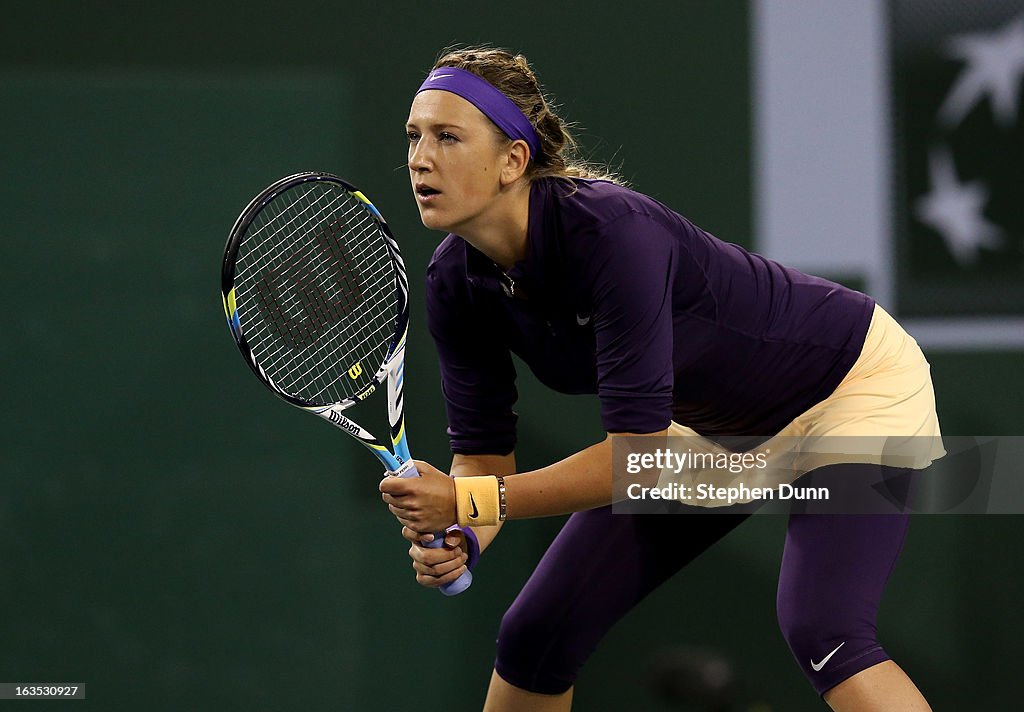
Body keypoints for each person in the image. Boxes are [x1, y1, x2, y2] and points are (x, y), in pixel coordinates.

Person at [379, 46, 944, 712]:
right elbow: (482, 456)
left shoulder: (615, 236)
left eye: (448, 136)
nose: (420, 157)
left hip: (851, 389)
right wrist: (463, 537)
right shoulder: (456, 282)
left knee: (826, 631)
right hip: (715, 435)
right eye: (415, 136)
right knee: (535, 634)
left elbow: (636, 463)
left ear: (513, 160)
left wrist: (468, 504)